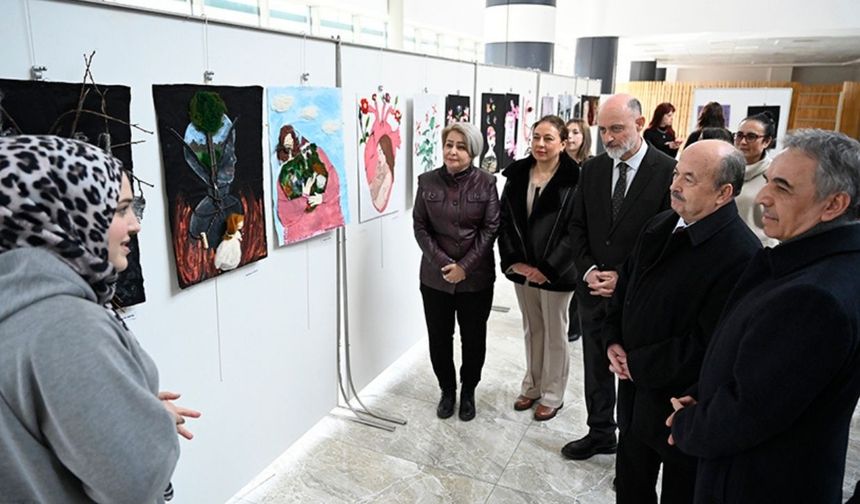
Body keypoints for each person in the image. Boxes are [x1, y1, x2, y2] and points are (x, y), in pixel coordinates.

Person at [0, 136, 200, 503]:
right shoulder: (65, 325)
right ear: (65, 214)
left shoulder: (16, 304)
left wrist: (124, 405)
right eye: (121, 209)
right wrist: (150, 418)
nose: (135, 224)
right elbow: (135, 479)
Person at [667, 129, 860, 503]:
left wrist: (687, 423)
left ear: (834, 204)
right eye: (769, 180)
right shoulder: (815, 264)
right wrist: (703, 397)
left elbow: (748, 414)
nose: (764, 197)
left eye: (783, 188)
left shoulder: (814, 297)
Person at [605, 140, 760, 503]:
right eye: (677, 173)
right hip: (633, 396)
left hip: (681, 410)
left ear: (724, 193)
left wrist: (636, 363)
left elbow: (711, 343)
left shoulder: (741, 254)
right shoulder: (661, 224)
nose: (675, 184)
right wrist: (612, 338)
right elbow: (625, 288)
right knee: (630, 487)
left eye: (689, 179)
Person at [562, 94, 675, 460]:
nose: (608, 138)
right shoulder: (592, 169)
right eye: (603, 130)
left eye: (617, 129)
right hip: (594, 290)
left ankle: (632, 453)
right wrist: (591, 270)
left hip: (638, 296)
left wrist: (622, 276)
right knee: (595, 367)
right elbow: (577, 227)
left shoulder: (667, 171)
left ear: (640, 124)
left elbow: (667, 240)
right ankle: (600, 433)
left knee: (633, 374)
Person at [413, 122, 499, 422]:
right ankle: (447, 390)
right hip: (435, 280)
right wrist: (443, 264)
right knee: (439, 337)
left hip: (475, 280)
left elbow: (490, 229)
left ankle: (469, 390)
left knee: (473, 339)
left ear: (472, 151)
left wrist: (464, 267)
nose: (453, 151)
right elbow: (421, 227)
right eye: (449, 144)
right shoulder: (427, 182)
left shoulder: (486, 183)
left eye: (461, 146)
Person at [499, 115, 579, 422]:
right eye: (536, 138)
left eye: (548, 138)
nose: (540, 145)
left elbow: (576, 229)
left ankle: (553, 394)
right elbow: (504, 221)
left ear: (562, 142)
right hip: (523, 268)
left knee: (555, 332)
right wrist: (514, 262)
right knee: (532, 328)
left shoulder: (576, 178)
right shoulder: (518, 174)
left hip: (557, 272)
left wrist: (548, 267)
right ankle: (531, 386)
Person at [564, 118, 592, 342]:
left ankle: (575, 324)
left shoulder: (591, 166)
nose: (571, 137)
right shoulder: (557, 165)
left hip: (582, 230)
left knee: (577, 279)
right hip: (560, 231)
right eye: (567, 132)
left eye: (576, 132)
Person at [734, 110, 779, 247]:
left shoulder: (774, 175)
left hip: (758, 248)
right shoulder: (727, 170)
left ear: (766, 141)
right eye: (739, 135)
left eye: (751, 137)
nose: (743, 142)